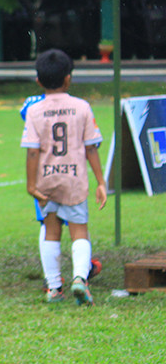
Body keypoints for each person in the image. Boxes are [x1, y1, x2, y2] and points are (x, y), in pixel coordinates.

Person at [21, 48, 107, 305]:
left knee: (50, 231)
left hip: (46, 179)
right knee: (79, 231)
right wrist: (101, 182)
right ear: (69, 78)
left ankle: (54, 287)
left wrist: (31, 184)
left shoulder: (35, 111)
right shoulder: (82, 107)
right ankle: (80, 278)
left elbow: (33, 152)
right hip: (74, 179)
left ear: (38, 81)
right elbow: (91, 147)